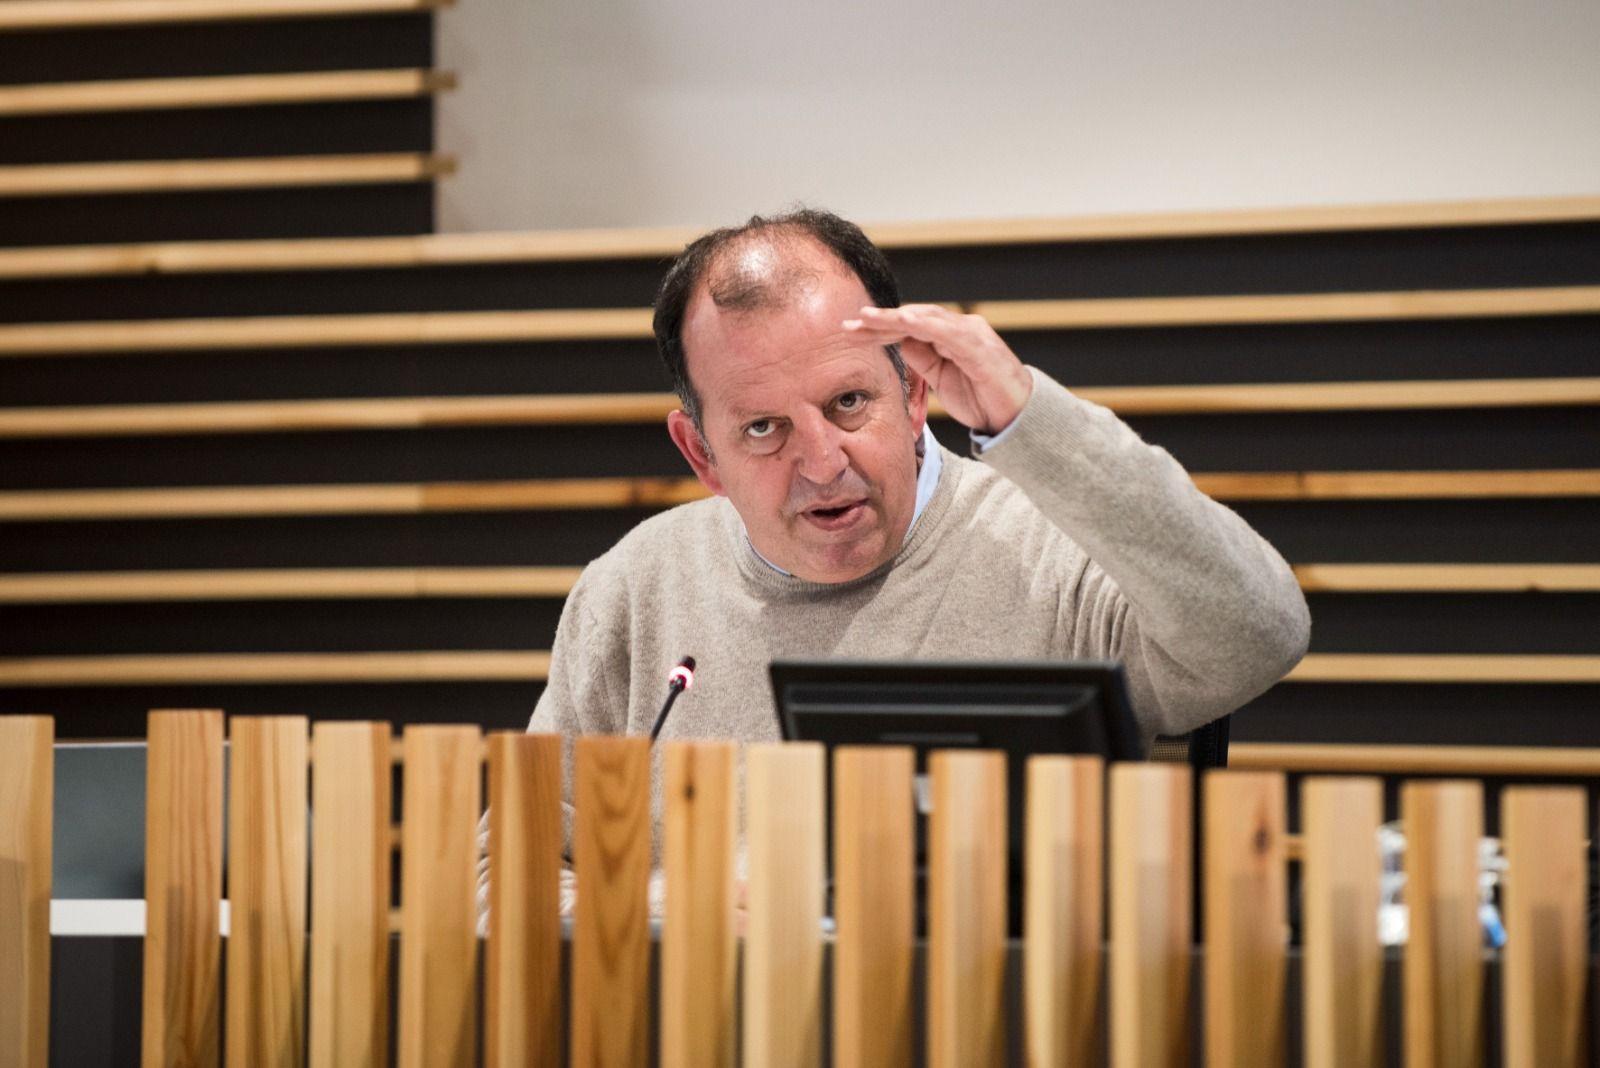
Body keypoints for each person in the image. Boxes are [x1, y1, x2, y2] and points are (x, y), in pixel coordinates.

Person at [494, 207, 1309, 903]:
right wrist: (671, 915)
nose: (821, 463)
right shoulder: (636, 585)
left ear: (914, 395)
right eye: (762, 429)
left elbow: (1260, 634)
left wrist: (1039, 426)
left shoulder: (1049, 547)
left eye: (849, 402)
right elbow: (505, 867)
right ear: (703, 454)